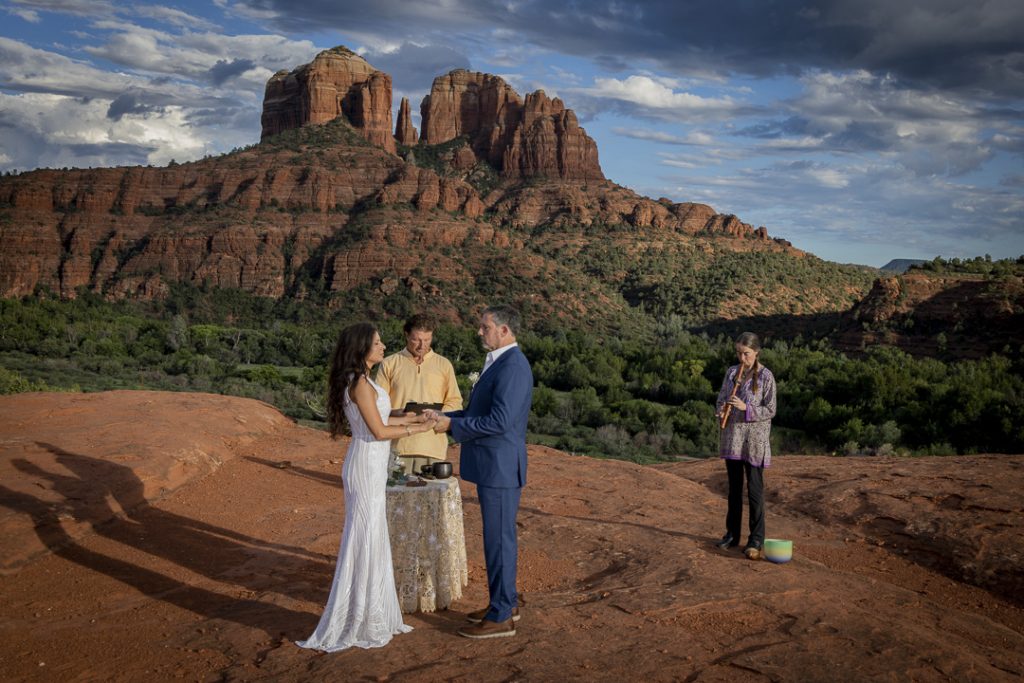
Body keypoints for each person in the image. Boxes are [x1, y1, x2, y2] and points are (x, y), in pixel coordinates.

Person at [297, 322, 436, 652]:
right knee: (364, 535)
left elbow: (384, 419)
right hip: (365, 462)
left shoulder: (363, 381)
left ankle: (375, 612)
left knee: (373, 534)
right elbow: (379, 432)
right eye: (377, 342)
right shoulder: (360, 383)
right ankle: (359, 617)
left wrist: (418, 419)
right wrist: (416, 431)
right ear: (362, 349)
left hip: (371, 464)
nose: (383, 346)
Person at [426, 305, 533, 639]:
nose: (479, 331)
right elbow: (479, 412)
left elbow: (499, 422)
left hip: (500, 468)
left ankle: (501, 617)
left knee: (499, 541)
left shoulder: (513, 367)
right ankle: (505, 604)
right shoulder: (501, 362)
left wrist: (451, 426)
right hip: (494, 467)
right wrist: (444, 416)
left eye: (484, 327)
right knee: (497, 540)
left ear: (503, 330)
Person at [715, 331, 777, 560]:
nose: (742, 359)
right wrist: (722, 409)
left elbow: (771, 410)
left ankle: (756, 539)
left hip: (754, 441)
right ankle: (732, 535)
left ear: (756, 352)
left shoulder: (766, 377)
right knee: (733, 491)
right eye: (739, 353)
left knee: (754, 492)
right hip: (733, 438)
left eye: (746, 354)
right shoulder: (732, 373)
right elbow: (721, 397)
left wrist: (745, 407)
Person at [375, 314, 463, 475]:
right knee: (396, 497)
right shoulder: (389, 363)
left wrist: (439, 415)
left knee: (431, 497)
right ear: (406, 335)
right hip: (397, 446)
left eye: (427, 340)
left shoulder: (444, 365)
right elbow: (378, 404)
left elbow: (455, 400)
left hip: (432, 446)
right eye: (417, 339)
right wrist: (399, 413)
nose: (422, 345)